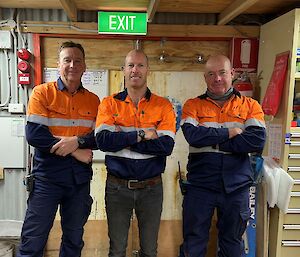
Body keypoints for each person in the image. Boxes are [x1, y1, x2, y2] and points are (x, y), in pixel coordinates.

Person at [17, 41, 100, 257]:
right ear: (58, 65)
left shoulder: (93, 101)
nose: (72, 65)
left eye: (77, 61)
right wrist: (75, 148)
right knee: (33, 240)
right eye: (67, 60)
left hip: (79, 182)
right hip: (47, 180)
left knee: (74, 240)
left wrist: (78, 143)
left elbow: (99, 138)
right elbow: (35, 135)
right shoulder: (42, 93)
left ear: (84, 66)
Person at [178, 55, 266, 257]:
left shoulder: (250, 106)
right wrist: (229, 133)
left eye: (222, 72)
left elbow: (256, 140)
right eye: (211, 74)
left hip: (236, 187)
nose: (217, 78)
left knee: (232, 244)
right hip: (200, 186)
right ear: (205, 78)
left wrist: (211, 140)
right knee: (193, 243)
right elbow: (193, 136)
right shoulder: (193, 105)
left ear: (232, 74)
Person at [95, 49, 176, 257]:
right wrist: (142, 135)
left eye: (140, 65)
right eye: (130, 65)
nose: (135, 70)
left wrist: (123, 139)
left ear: (148, 70)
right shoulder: (109, 103)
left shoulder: (163, 105)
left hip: (151, 188)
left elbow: (165, 146)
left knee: (149, 251)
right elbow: (103, 141)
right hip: (117, 188)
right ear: (123, 70)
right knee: (117, 250)